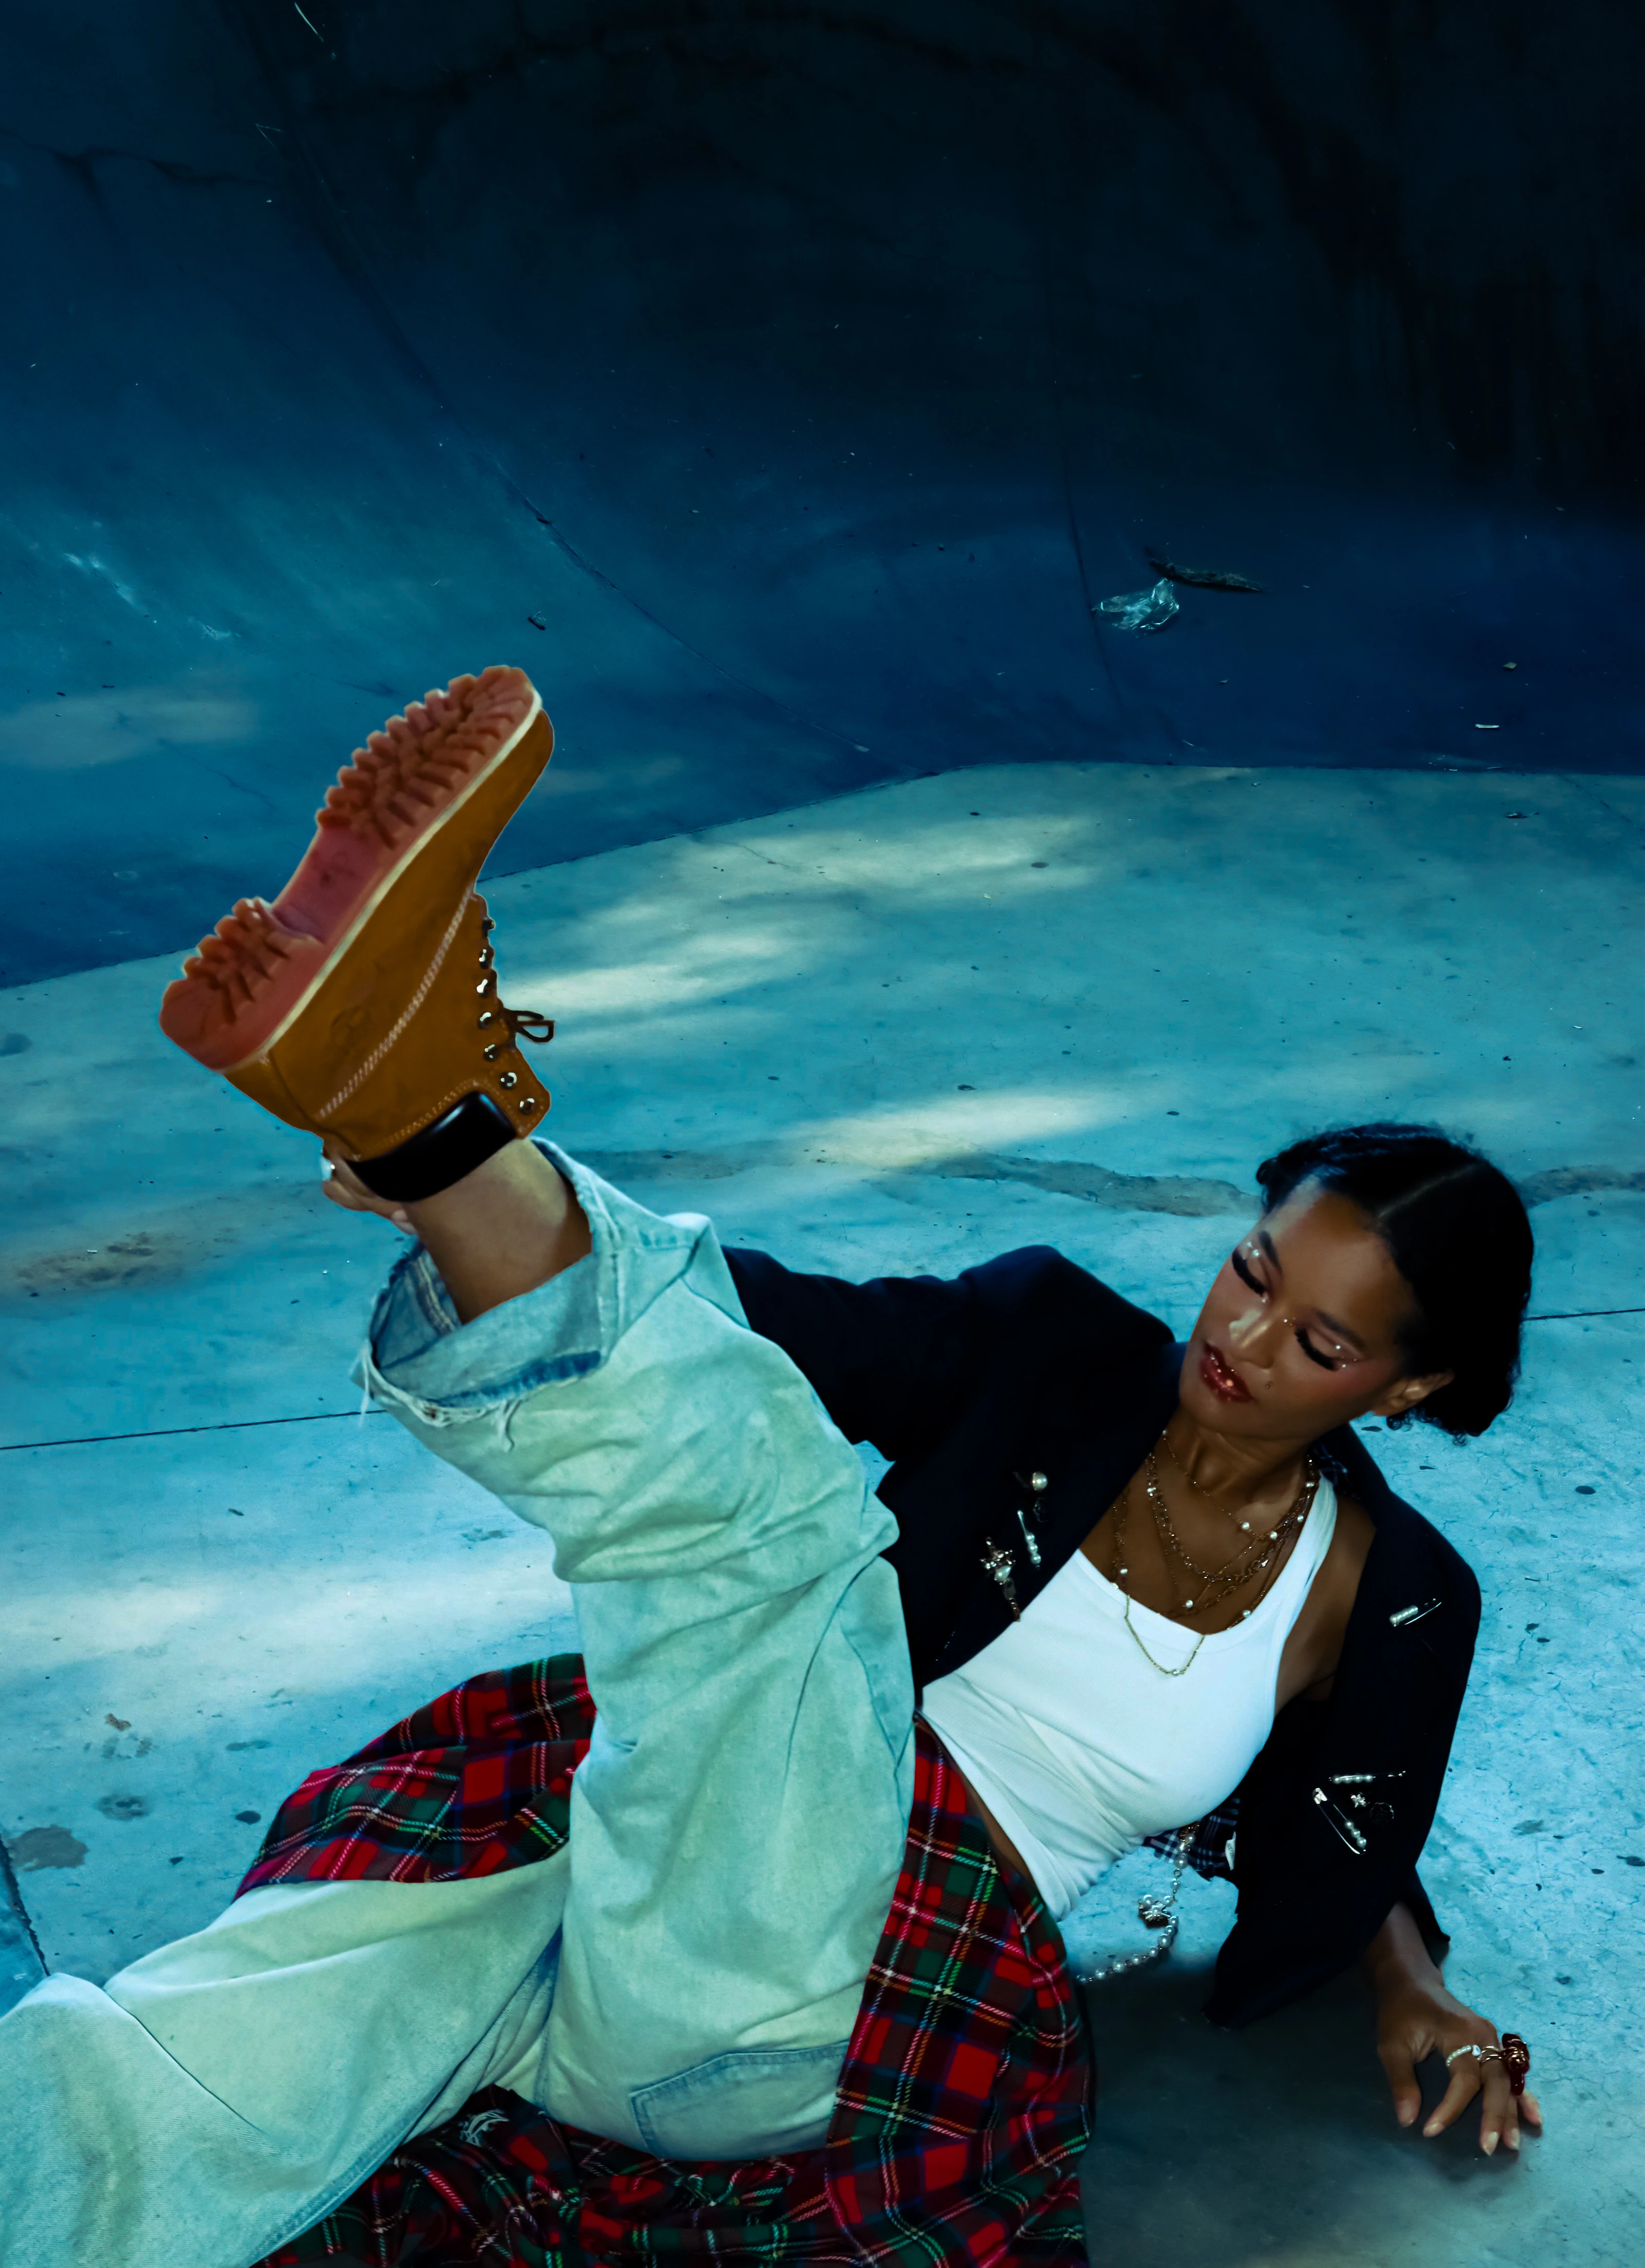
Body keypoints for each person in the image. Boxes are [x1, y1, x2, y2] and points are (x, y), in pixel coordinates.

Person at [0, 668, 1542, 2268]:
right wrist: (519, 1244)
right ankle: (428, 1131)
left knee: (780, 1540)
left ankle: (433, 1119)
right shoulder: (1058, 1348)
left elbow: (1345, 1824)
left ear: (1414, 1386)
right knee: (219, 2040)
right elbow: (780, 1319)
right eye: (1252, 1269)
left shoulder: (1393, 1598)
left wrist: (1419, 1996)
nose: (1246, 1334)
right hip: (617, 1845)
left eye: (1324, 1344)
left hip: (863, 1986)